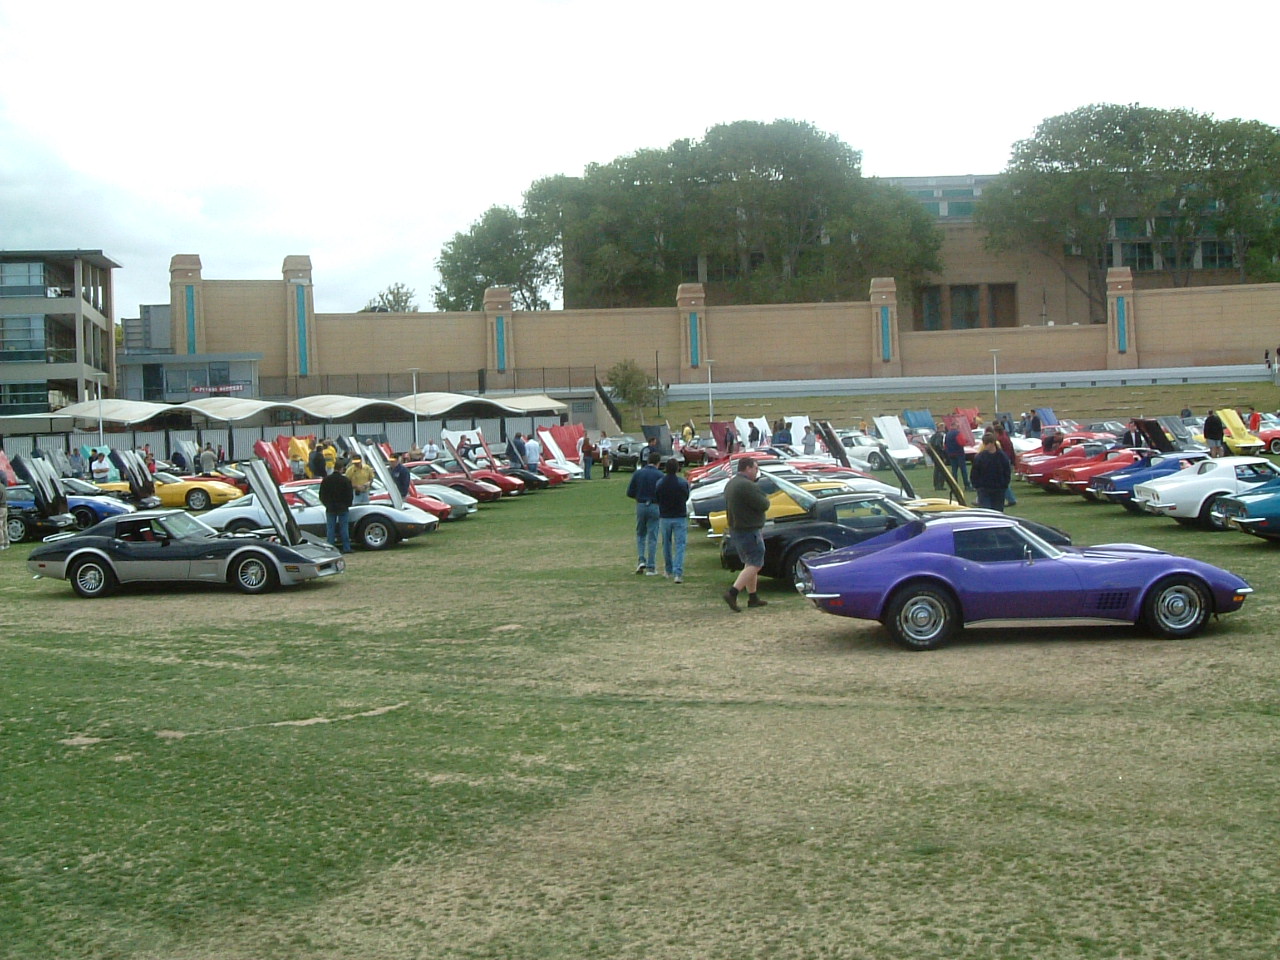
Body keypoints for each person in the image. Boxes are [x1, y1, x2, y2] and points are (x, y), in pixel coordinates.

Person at [722, 457, 771, 612]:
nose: (757, 472)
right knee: (756, 563)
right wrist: (764, 497)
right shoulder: (746, 485)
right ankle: (733, 592)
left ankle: (753, 597)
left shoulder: (731, 483)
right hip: (749, 529)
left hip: (736, 529)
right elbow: (764, 504)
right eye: (755, 468)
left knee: (749, 563)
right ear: (748, 468)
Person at [626, 452, 663, 575]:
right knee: (652, 536)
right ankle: (651, 567)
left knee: (641, 534)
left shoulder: (638, 473)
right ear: (658, 463)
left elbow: (630, 492)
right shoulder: (660, 475)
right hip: (654, 505)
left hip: (641, 505)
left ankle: (641, 559)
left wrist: (638, 496)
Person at [656, 458, 690, 583]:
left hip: (665, 516)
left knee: (666, 544)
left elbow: (657, 497)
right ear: (677, 468)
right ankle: (678, 572)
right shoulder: (682, 483)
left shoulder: (660, 483)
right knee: (680, 544)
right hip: (679, 516)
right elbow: (686, 496)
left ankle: (668, 569)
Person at [970, 435, 1012, 512]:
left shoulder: (1002, 457)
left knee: (998, 511)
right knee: (986, 512)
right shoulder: (980, 457)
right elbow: (974, 472)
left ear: (992, 443)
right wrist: (977, 486)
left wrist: (1004, 484)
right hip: (984, 489)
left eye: (987, 444)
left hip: (999, 489)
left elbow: (1007, 472)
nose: (985, 446)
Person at [318, 465, 354, 553]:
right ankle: (346, 547)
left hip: (330, 507)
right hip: (343, 507)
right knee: (344, 528)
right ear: (341, 469)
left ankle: (331, 548)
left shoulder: (326, 480)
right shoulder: (345, 480)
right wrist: (347, 504)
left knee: (330, 529)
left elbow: (321, 494)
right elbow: (350, 494)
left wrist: (326, 504)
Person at [991, 420, 1018, 506]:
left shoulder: (999, 440)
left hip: (1002, 461)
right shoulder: (1006, 438)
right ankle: (1010, 499)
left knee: (1002, 482)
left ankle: (1011, 499)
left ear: (996, 432)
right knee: (1004, 481)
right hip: (1007, 459)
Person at [943, 421, 972, 491]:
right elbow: (962, 443)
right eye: (958, 426)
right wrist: (966, 441)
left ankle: (954, 486)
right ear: (955, 426)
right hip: (959, 454)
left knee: (954, 471)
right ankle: (967, 485)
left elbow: (945, 445)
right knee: (963, 470)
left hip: (951, 454)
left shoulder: (947, 434)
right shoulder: (958, 433)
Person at [929, 424, 948, 491]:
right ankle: (940, 485)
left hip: (934, 455)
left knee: (936, 470)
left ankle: (936, 485)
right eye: (943, 427)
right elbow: (938, 445)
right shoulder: (940, 435)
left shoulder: (933, 435)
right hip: (939, 455)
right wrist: (943, 451)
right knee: (941, 470)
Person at [0, 479, 8, 550]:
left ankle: (1, 544)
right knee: (4, 527)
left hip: (0, 508)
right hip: (5, 507)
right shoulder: (3, 486)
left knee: (0, 527)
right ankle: (6, 543)